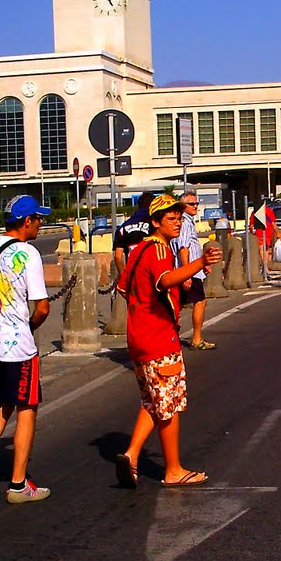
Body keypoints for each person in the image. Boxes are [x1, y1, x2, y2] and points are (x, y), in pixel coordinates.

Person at [115, 194, 223, 488]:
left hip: (138, 338)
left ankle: (132, 454)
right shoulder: (160, 250)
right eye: (170, 219)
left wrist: (146, 306)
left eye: (179, 218)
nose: (177, 223)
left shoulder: (138, 249)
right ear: (155, 222)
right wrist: (200, 262)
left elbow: (123, 287)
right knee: (169, 404)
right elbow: (164, 280)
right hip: (159, 338)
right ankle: (173, 470)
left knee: (152, 399)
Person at [0, 195, 52, 504]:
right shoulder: (28, 253)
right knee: (27, 409)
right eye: (38, 219)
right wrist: (29, 328)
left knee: (1, 404)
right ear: (26, 221)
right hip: (18, 347)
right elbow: (42, 308)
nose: (41, 224)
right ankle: (18, 485)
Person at [173, 190, 216, 350]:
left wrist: (203, 263)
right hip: (189, 270)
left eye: (196, 203)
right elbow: (183, 248)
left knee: (178, 304)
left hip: (191, 269)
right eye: (191, 204)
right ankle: (196, 339)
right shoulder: (184, 222)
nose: (195, 206)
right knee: (199, 302)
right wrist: (187, 273)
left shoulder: (187, 221)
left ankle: (172, 338)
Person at [113, 191, 155, 277]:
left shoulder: (122, 228)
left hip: (132, 274)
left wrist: (123, 276)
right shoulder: (155, 224)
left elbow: (118, 256)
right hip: (151, 274)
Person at [249, 201, 281, 276]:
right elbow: (273, 224)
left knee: (261, 250)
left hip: (258, 233)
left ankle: (265, 268)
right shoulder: (269, 210)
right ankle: (265, 267)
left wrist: (252, 233)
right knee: (267, 250)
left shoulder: (254, 212)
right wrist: (278, 233)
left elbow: (251, 225)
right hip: (268, 233)